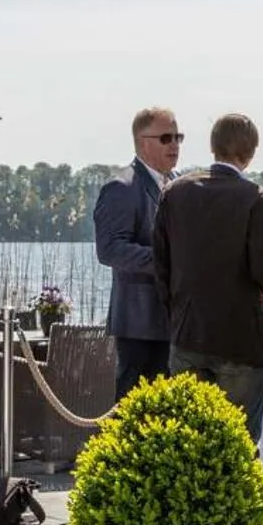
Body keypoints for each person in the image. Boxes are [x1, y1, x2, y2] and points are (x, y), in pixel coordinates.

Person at [152, 113, 263, 437]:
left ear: (213, 146)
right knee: (238, 443)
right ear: (251, 152)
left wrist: (177, 313)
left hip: (187, 334)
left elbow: (161, 265)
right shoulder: (256, 197)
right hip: (241, 340)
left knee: (191, 440)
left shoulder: (174, 192)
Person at [93, 105, 180, 399]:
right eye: (166, 138)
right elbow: (110, 249)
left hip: (175, 325)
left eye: (179, 137)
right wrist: (167, 261)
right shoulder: (122, 187)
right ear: (143, 142)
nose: (175, 145)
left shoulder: (179, 185)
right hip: (139, 325)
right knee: (134, 416)